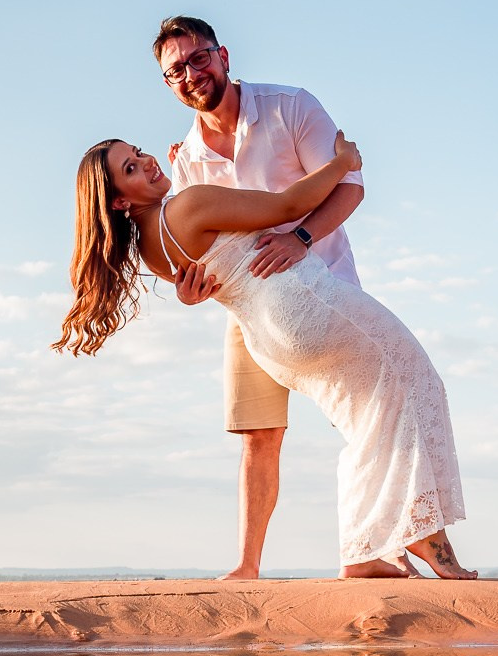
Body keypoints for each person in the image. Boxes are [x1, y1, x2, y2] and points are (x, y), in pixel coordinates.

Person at [55, 133, 476, 579]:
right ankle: (420, 534)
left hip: (269, 340)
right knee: (417, 379)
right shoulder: (188, 205)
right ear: (120, 203)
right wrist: (343, 163)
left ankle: (364, 551)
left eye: (138, 153)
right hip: (304, 301)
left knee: (369, 417)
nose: (147, 162)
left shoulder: (149, 246)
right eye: (131, 169)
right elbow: (289, 206)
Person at [151, 16, 366, 582]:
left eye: (198, 58)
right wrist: (189, 291)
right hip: (250, 311)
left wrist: (299, 238)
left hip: (326, 286)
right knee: (258, 434)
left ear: (222, 55)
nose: (191, 74)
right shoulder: (186, 160)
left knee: (362, 424)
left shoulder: (290, 106)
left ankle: (373, 554)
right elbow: (196, 253)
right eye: (176, 70)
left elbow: (350, 185)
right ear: (168, 84)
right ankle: (247, 566)